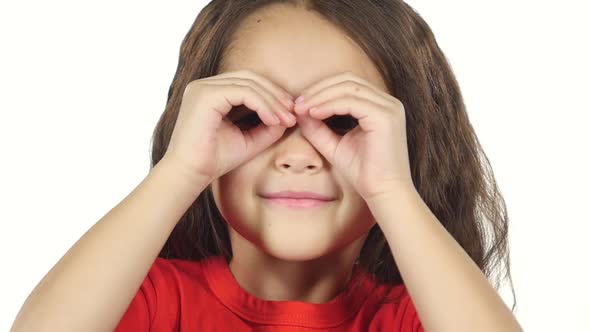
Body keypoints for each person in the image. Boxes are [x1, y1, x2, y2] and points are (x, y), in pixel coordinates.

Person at [11, 0, 524, 331]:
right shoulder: (154, 303)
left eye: (343, 120)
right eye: (250, 115)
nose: (298, 154)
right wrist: (181, 169)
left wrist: (392, 188)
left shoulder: (411, 318)